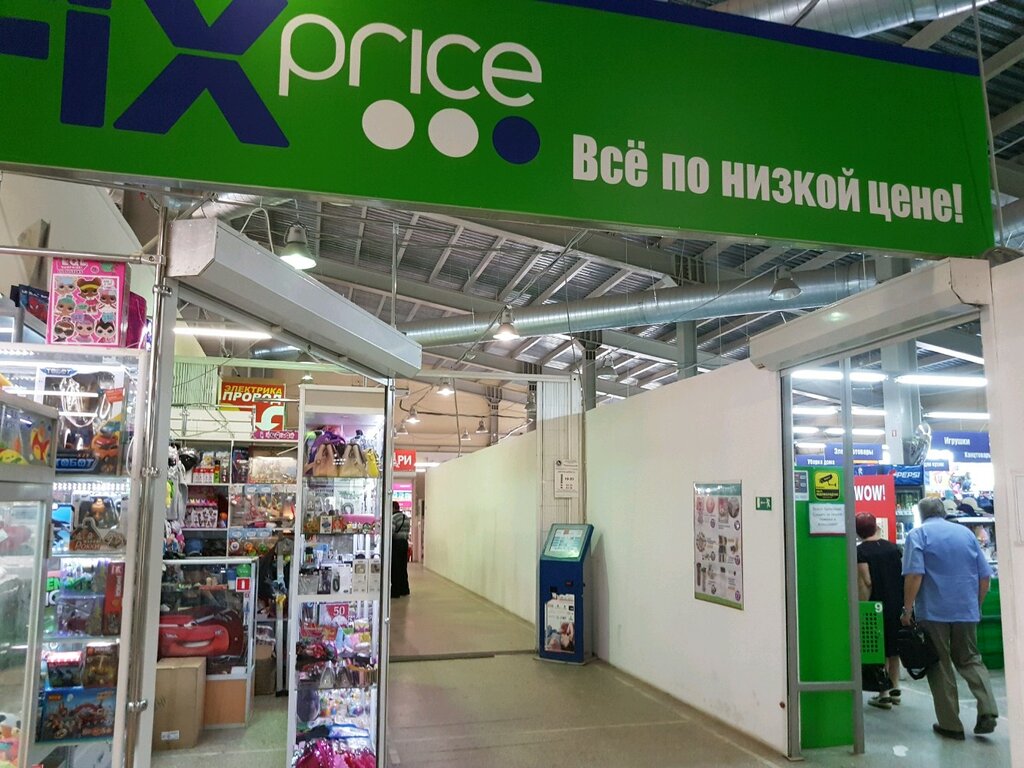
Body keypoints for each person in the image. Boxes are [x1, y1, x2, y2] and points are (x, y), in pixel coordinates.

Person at [901, 496, 998, 740]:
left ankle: (950, 724)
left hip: (934, 612)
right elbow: (984, 576)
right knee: (971, 659)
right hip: (966, 610)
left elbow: (915, 575)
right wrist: (975, 605)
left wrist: (907, 609)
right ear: (943, 512)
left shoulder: (918, 535)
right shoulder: (966, 534)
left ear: (921, 515)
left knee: (940, 664)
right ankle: (988, 708)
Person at [855, 513, 903, 709]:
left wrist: (862, 606)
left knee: (879, 648)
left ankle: (883, 693)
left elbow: (866, 581)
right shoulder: (894, 548)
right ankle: (896, 688)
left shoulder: (861, 552)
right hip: (896, 602)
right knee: (894, 646)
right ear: (876, 527)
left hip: (876, 604)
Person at [390, 501, 410, 598]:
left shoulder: (393, 518)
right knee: (403, 567)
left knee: (395, 567)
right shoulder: (406, 518)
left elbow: (392, 531)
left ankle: (395, 591)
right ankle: (404, 589)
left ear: (393, 508)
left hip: (396, 544)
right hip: (404, 543)